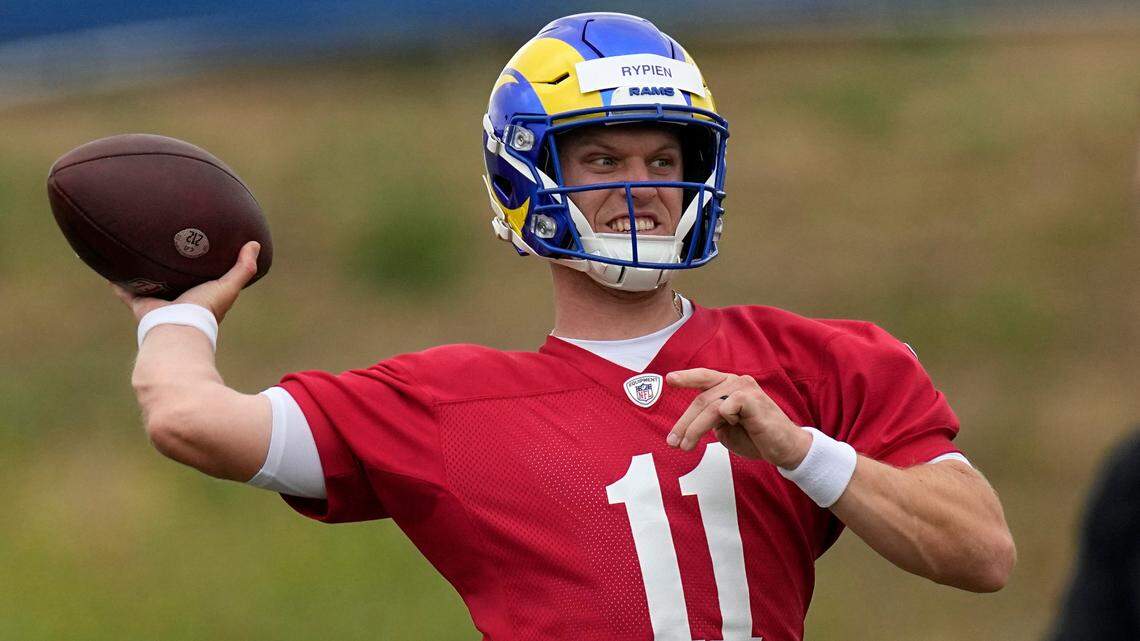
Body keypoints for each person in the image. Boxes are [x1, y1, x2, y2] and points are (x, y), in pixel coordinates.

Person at [116, 12, 1015, 641]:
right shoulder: (445, 403)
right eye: (601, 157)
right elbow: (189, 420)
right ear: (524, 177)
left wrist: (800, 450)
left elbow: (980, 552)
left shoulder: (817, 362)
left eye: (665, 157)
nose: (643, 184)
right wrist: (173, 315)